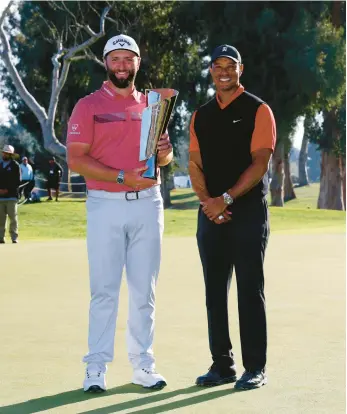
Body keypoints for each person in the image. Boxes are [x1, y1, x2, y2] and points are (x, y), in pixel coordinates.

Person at [67, 34, 173, 393]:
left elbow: (164, 160)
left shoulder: (153, 106)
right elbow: (76, 158)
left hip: (148, 204)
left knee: (144, 291)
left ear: (138, 63)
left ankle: (144, 364)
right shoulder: (88, 105)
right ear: (106, 63)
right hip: (105, 204)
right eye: (116, 59)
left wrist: (166, 151)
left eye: (129, 59)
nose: (122, 65)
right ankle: (95, 368)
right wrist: (119, 176)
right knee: (104, 291)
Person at [189, 44, 276, 390]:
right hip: (211, 213)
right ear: (211, 70)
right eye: (217, 65)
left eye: (230, 65)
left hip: (248, 212)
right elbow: (194, 163)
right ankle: (221, 365)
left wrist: (224, 199)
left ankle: (255, 367)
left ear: (241, 68)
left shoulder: (259, 110)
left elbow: (260, 162)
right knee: (214, 292)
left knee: (249, 289)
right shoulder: (201, 115)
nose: (223, 71)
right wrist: (208, 202)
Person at [0, 144, 21, 243]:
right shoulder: (0, 165)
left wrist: (7, 189)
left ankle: (14, 237)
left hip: (12, 196)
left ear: (10, 155)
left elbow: (17, 181)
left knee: (13, 217)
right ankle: (1, 237)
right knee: (1, 219)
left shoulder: (15, 165)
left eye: (6, 153)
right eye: (4, 152)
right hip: (0, 197)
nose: (4, 154)